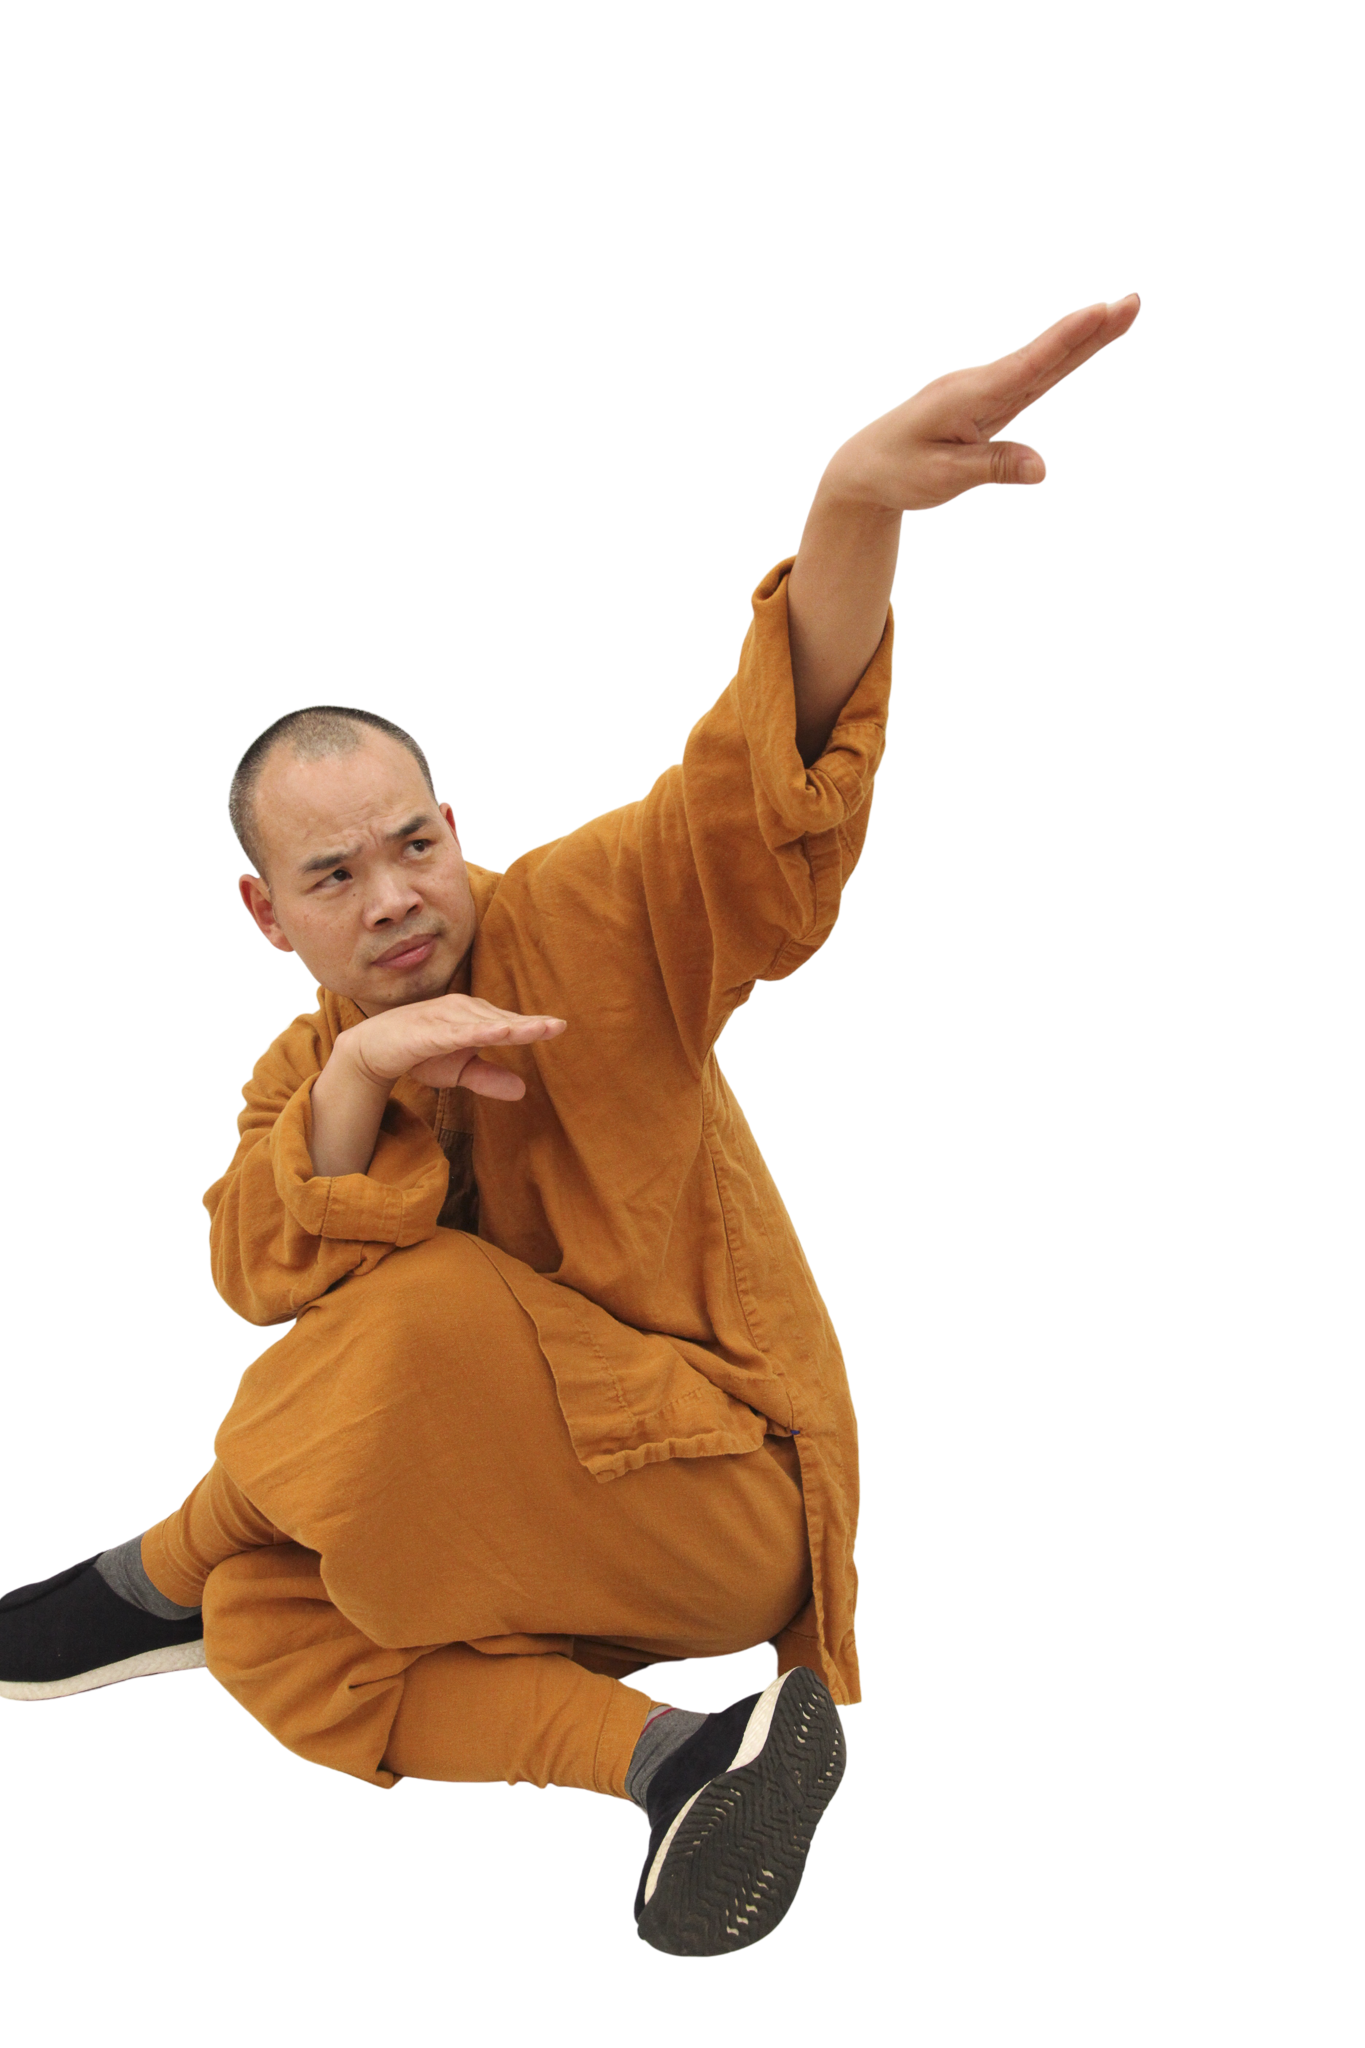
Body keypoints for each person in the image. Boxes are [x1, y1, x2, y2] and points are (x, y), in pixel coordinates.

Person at [1, 295, 1139, 1955]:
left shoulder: (588, 920)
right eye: (337, 877)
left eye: (415, 842)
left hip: (725, 1512)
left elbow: (747, 815)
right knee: (273, 1630)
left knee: (422, 1317)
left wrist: (851, 511)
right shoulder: (297, 1072)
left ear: (452, 828)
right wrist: (352, 1089)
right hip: (549, 1544)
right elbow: (262, 1291)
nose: (397, 899)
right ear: (269, 913)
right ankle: (681, 1754)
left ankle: (164, 1560)